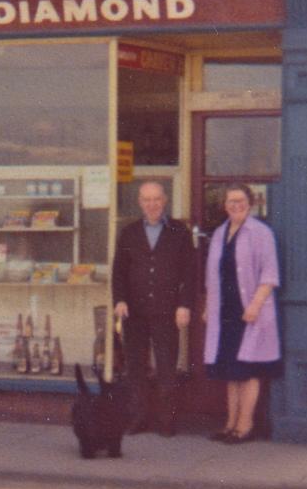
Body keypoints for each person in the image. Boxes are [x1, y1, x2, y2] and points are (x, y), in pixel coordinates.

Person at [112, 180, 195, 437]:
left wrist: (185, 305)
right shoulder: (129, 232)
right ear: (140, 202)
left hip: (167, 310)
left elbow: (190, 273)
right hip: (133, 311)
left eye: (156, 199)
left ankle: (167, 421)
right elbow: (119, 272)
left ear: (165, 201)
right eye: (147, 199)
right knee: (135, 367)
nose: (152, 204)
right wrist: (120, 300)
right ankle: (138, 419)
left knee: (166, 366)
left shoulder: (179, 231)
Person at [203, 183, 281, 443]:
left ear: (250, 203)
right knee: (230, 371)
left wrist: (255, 306)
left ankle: (245, 426)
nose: (235, 205)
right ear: (224, 206)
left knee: (248, 370)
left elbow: (269, 275)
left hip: (249, 311)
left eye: (240, 201)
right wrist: (207, 307)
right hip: (224, 311)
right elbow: (212, 276)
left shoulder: (261, 233)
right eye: (230, 201)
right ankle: (230, 424)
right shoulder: (219, 233)